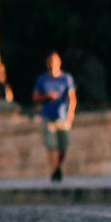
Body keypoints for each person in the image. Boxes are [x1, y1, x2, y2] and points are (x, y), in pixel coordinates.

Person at [31, 52, 76, 183]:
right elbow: (35, 97)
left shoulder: (65, 78)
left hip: (61, 116)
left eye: (54, 62)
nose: (52, 64)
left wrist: (70, 114)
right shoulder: (42, 79)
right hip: (47, 116)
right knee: (52, 145)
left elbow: (72, 97)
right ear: (47, 64)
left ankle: (57, 167)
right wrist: (47, 96)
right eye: (50, 62)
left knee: (63, 146)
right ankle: (55, 170)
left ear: (59, 63)